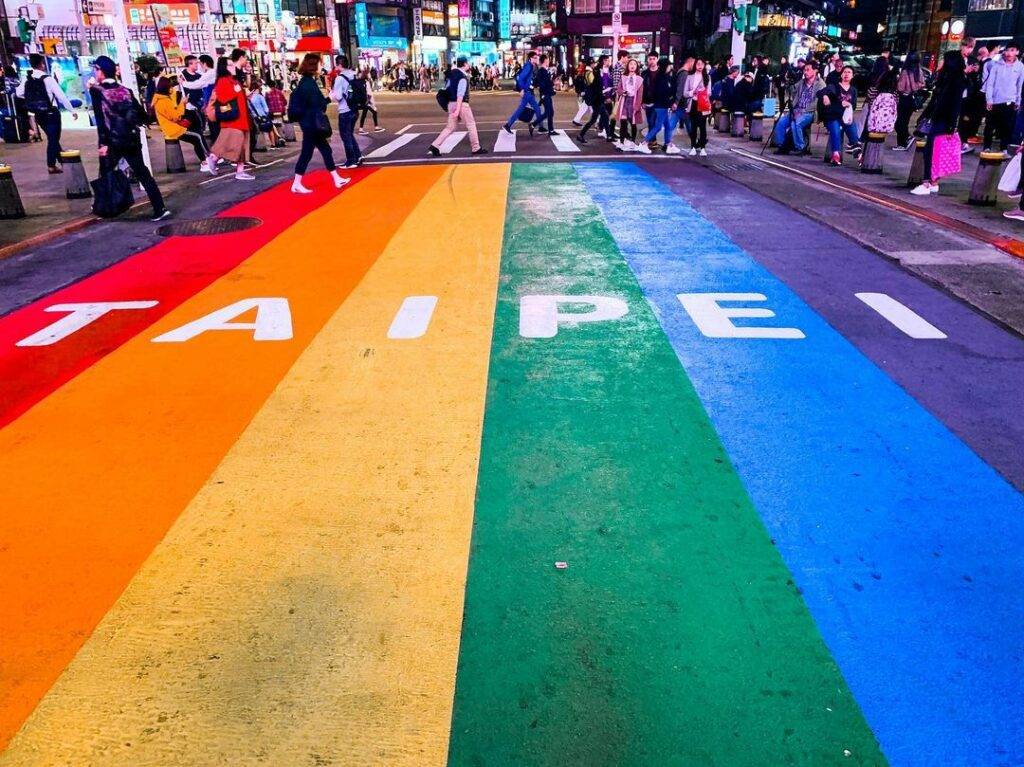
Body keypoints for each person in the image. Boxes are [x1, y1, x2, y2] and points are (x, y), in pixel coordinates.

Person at [90, 55, 169, 221]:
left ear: (101, 72)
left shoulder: (97, 91)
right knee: (143, 173)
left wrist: (103, 143)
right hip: (131, 138)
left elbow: (100, 119)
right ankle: (160, 208)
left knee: (106, 172)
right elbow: (141, 114)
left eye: (96, 69)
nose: (95, 72)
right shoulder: (126, 91)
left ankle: (106, 207)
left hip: (113, 140)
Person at [286, 53, 350, 193]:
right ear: (313, 66)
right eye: (320, 64)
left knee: (320, 151)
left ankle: (335, 178)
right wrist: (330, 98)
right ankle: (298, 183)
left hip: (309, 124)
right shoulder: (309, 84)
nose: (322, 67)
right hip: (311, 125)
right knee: (309, 153)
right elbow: (319, 105)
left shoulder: (305, 82)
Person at [911, 51, 967, 195]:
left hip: (943, 121)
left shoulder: (957, 80)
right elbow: (934, 101)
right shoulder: (945, 78)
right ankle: (933, 182)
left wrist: (951, 126)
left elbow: (955, 105)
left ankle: (927, 183)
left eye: (944, 60)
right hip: (938, 119)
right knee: (933, 151)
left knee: (932, 151)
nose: (940, 62)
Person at [16, 53, 77, 173]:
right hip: (51, 113)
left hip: (38, 114)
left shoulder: (27, 79)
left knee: (52, 138)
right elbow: (61, 96)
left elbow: (18, 93)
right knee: (53, 139)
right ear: (42, 64)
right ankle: (51, 165)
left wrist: (33, 99)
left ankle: (63, 161)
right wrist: (72, 110)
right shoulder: (48, 79)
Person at [205, 56, 254, 181]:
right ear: (224, 68)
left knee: (240, 146)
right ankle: (213, 159)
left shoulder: (232, 80)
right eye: (230, 65)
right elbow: (223, 98)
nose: (233, 67)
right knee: (230, 145)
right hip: (234, 120)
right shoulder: (224, 81)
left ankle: (239, 170)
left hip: (240, 119)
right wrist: (236, 91)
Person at [428, 56, 486, 157]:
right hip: (461, 104)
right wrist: (458, 109)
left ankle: (435, 145)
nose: (469, 65)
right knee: (471, 125)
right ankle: (476, 147)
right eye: (467, 63)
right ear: (464, 64)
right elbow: (460, 94)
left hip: (450, 103)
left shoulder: (451, 74)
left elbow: (446, 88)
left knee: (450, 127)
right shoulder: (462, 77)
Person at [151, 75, 211, 168]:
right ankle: (209, 159)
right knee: (198, 136)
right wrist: (183, 104)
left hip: (173, 127)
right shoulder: (163, 101)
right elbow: (175, 117)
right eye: (170, 85)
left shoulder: (161, 98)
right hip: (174, 129)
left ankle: (205, 162)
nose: (172, 88)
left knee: (196, 139)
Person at [774, 61, 825, 155]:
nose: (805, 72)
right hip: (796, 110)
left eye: (808, 70)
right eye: (804, 70)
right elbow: (792, 90)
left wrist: (803, 111)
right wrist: (787, 84)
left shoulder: (820, 84)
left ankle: (801, 147)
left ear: (815, 71)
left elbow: (817, 102)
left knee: (796, 124)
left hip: (810, 112)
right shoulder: (802, 82)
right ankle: (782, 146)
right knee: (780, 122)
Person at [981, 43, 1024, 154]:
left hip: (1010, 101)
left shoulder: (1020, 66)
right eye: (1007, 50)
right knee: (989, 126)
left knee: (1007, 126)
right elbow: (990, 84)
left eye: (1012, 50)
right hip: (995, 101)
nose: (1009, 53)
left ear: (1017, 52)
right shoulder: (996, 65)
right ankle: (987, 147)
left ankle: (1004, 149)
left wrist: (1018, 100)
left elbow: (1019, 84)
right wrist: (989, 99)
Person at [820, 65, 860, 166]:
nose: (846, 74)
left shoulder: (853, 90)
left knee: (853, 132)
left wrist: (849, 105)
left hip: (846, 117)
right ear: (841, 74)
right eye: (845, 72)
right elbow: (822, 91)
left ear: (852, 76)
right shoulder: (834, 86)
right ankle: (835, 154)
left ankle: (858, 153)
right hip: (833, 116)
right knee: (836, 131)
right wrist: (825, 96)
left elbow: (854, 105)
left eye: (849, 72)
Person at [637, 58, 678, 154]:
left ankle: (668, 144)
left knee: (667, 126)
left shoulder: (665, 77)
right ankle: (644, 143)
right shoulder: (661, 78)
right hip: (661, 106)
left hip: (662, 105)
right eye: (668, 65)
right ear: (665, 66)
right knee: (658, 127)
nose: (670, 67)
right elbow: (663, 92)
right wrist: (671, 97)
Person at [330, 55, 363, 168]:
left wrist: (332, 92)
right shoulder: (353, 74)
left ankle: (351, 160)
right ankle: (358, 156)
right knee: (350, 134)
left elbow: (338, 96)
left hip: (345, 110)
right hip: (355, 109)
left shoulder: (340, 78)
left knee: (345, 136)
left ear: (339, 65)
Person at [503, 51, 541, 135]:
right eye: (535, 57)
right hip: (527, 92)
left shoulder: (531, 66)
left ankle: (508, 125)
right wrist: (522, 89)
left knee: (531, 108)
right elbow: (520, 78)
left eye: (537, 57)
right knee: (532, 109)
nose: (537, 59)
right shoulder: (528, 66)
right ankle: (539, 127)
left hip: (528, 91)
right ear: (531, 58)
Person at [893, 52, 925, 150]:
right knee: (905, 121)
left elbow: (900, 87)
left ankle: (903, 143)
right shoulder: (919, 70)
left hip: (904, 99)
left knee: (899, 122)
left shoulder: (905, 72)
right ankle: (906, 138)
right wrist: (914, 87)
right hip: (912, 100)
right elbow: (923, 84)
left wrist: (898, 80)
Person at [577, 55, 612, 144]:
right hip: (596, 99)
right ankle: (581, 135)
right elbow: (594, 86)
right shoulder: (595, 71)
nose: (608, 62)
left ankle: (609, 136)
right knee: (596, 118)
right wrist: (603, 91)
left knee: (604, 116)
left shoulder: (598, 71)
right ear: (603, 61)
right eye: (607, 60)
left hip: (598, 98)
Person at [613, 57, 644, 151]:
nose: (632, 66)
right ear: (627, 66)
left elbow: (640, 93)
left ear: (637, 67)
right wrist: (622, 92)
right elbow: (618, 89)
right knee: (623, 123)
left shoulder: (639, 79)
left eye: (634, 64)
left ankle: (632, 142)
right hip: (624, 101)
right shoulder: (623, 77)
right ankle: (622, 142)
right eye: (631, 64)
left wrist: (638, 106)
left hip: (634, 102)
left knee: (633, 123)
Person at [682, 57, 711, 156]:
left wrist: (702, 92)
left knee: (703, 127)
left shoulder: (707, 77)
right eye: (698, 64)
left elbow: (709, 92)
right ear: (695, 65)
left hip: (703, 104)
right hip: (693, 104)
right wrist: (692, 92)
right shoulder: (689, 77)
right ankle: (693, 146)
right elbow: (685, 93)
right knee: (693, 127)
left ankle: (703, 147)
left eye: (702, 64)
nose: (700, 66)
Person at [533, 54, 557, 134]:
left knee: (549, 112)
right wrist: (552, 83)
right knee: (549, 112)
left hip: (546, 94)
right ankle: (549, 129)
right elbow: (542, 84)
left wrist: (551, 82)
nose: (549, 61)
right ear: (545, 60)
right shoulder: (542, 71)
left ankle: (535, 125)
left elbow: (539, 83)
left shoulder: (544, 71)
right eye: (548, 59)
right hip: (545, 94)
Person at [571, 59, 592, 125]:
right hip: (587, 91)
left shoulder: (583, 70)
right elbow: (588, 82)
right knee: (593, 107)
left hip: (584, 91)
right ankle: (597, 121)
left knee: (585, 106)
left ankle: (576, 119)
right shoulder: (588, 71)